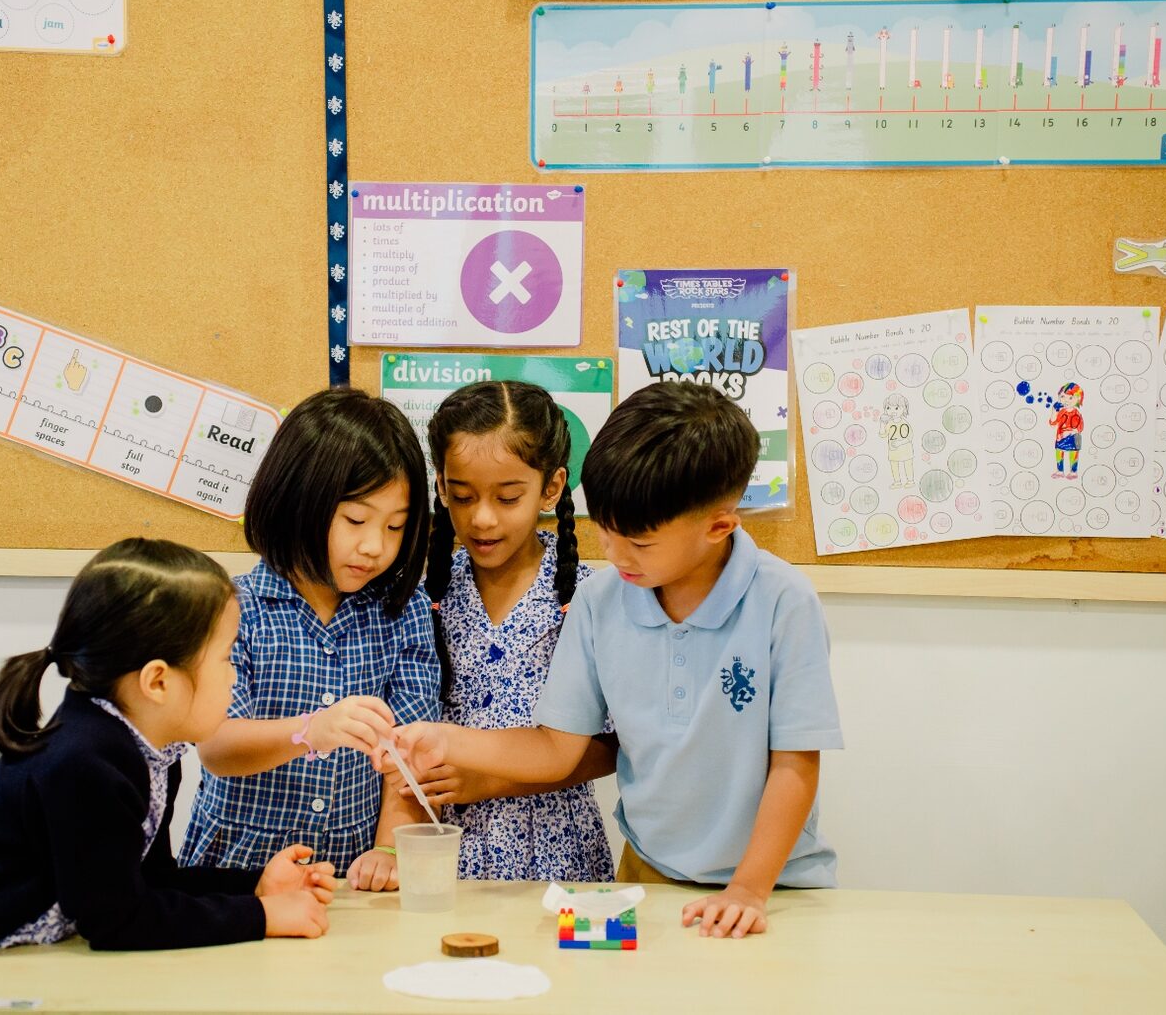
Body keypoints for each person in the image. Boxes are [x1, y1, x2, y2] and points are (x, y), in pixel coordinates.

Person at [0, 539, 335, 1015]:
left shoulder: (151, 751)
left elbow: (145, 880)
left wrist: (255, 883)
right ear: (158, 682)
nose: (234, 675)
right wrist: (260, 916)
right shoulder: (86, 761)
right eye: (225, 659)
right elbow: (118, 920)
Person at [390, 383, 842, 940]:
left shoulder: (783, 601)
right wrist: (442, 740)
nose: (614, 552)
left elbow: (796, 764)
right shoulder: (601, 600)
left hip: (772, 885)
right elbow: (556, 747)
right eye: (605, 530)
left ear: (720, 525)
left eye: (639, 542)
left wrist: (749, 887)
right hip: (648, 872)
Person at [182, 388, 439, 892]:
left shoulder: (402, 609)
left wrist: (389, 847)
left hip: (350, 871)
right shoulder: (236, 608)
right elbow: (216, 746)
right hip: (236, 870)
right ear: (299, 499)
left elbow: (405, 756)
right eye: (357, 520)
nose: (375, 546)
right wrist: (311, 731)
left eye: (396, 527)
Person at [413, 381, 615, 882]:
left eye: (507, 497)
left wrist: (490, 781)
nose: (481, 519)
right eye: (462, 495)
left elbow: (615, 746)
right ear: (441, 485)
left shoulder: (588, 598)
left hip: (561, 858)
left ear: (551, 487)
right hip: (443, 855)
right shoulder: (424, 598)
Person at [1049, 382, 1085, 479]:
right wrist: (1053, 412)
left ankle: (1073, 472)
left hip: (1073, 438)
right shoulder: (1061, 412)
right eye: (1062, 397)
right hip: (1060, 437)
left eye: (1070, 398)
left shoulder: (1076, 413)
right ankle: (1060, 471)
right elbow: (1052, 423)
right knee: (1059, 453)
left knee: (1073, 455)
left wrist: (1071, 432)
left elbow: (1080, 428)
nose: (1066, 400)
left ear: (1078, 399)